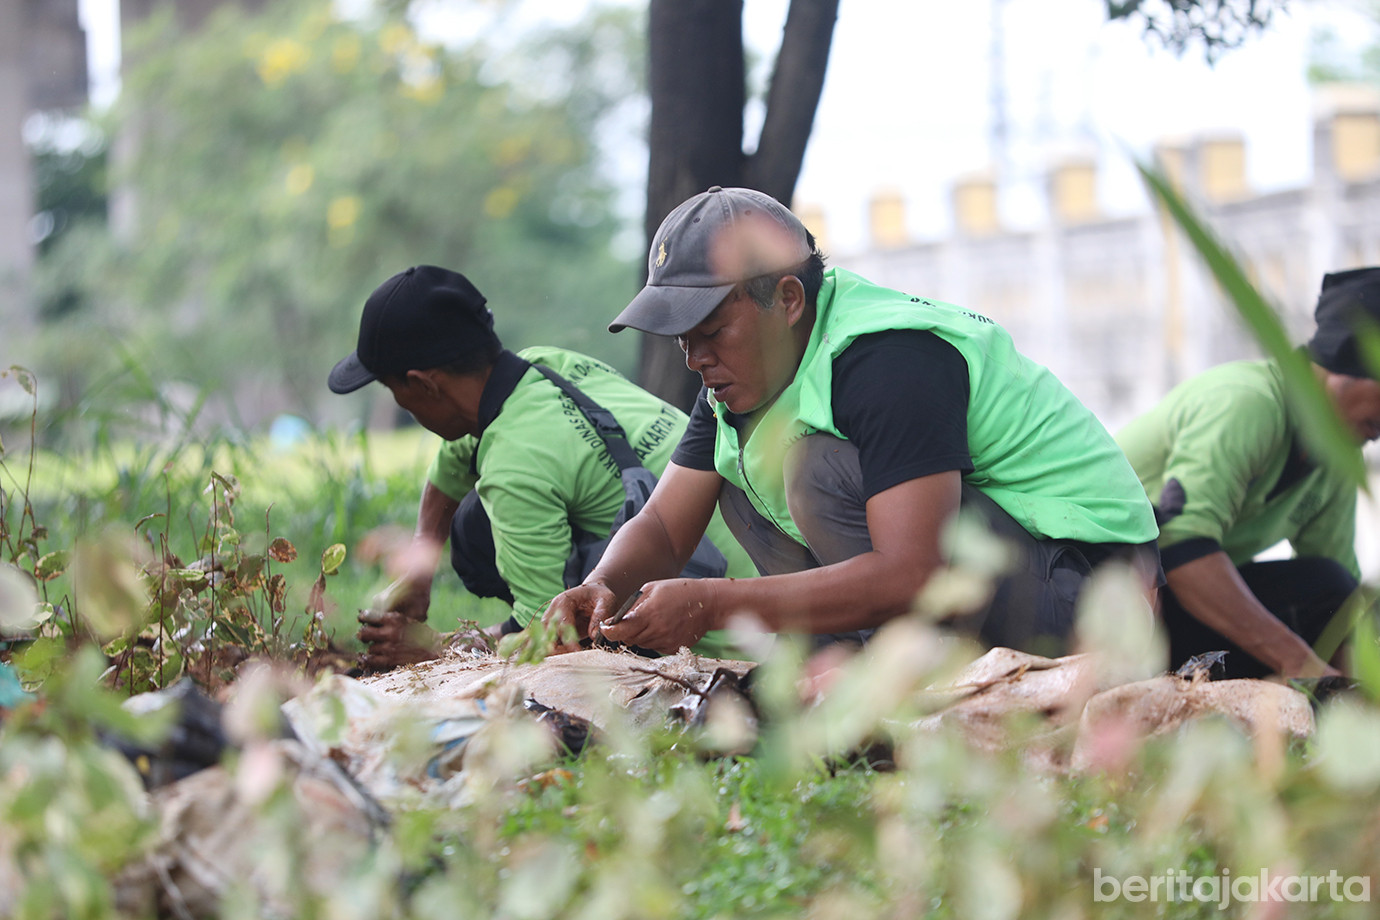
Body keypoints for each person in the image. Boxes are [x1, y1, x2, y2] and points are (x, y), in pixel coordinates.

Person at [543, 186, 1162, 657]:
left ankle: (912, 673)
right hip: (994, 580)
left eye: (710, 332)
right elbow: (663, 525)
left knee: (815, 467)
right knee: (738, 477)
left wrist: (712, 603)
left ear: (787, 299)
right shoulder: (745, 377)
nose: (694, 357)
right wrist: (600, 584)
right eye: (682, 338)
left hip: (1090, 600)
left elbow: (911, 571)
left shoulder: (892, 359)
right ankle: (846, 668)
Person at [327, 264, 755, 668]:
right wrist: (420, 565)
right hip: (754, 560)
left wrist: (435, 647)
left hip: (716, 632)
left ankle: (630, 641)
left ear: (422, 384)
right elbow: (454, 464)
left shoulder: (515, 469)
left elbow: (551, 642)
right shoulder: (545, 365)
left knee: (487, 544)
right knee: (470, 521)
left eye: (393, 388)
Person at [1116, 268, 1380, 680]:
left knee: (1330, 590)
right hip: (1114, 595)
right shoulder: (1246, 402)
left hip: (1179, 609)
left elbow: (1335, 599)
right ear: (1348, 367)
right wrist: (1299, 662)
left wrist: (1357, 688)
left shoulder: (1338, 450)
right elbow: (1181, 551)